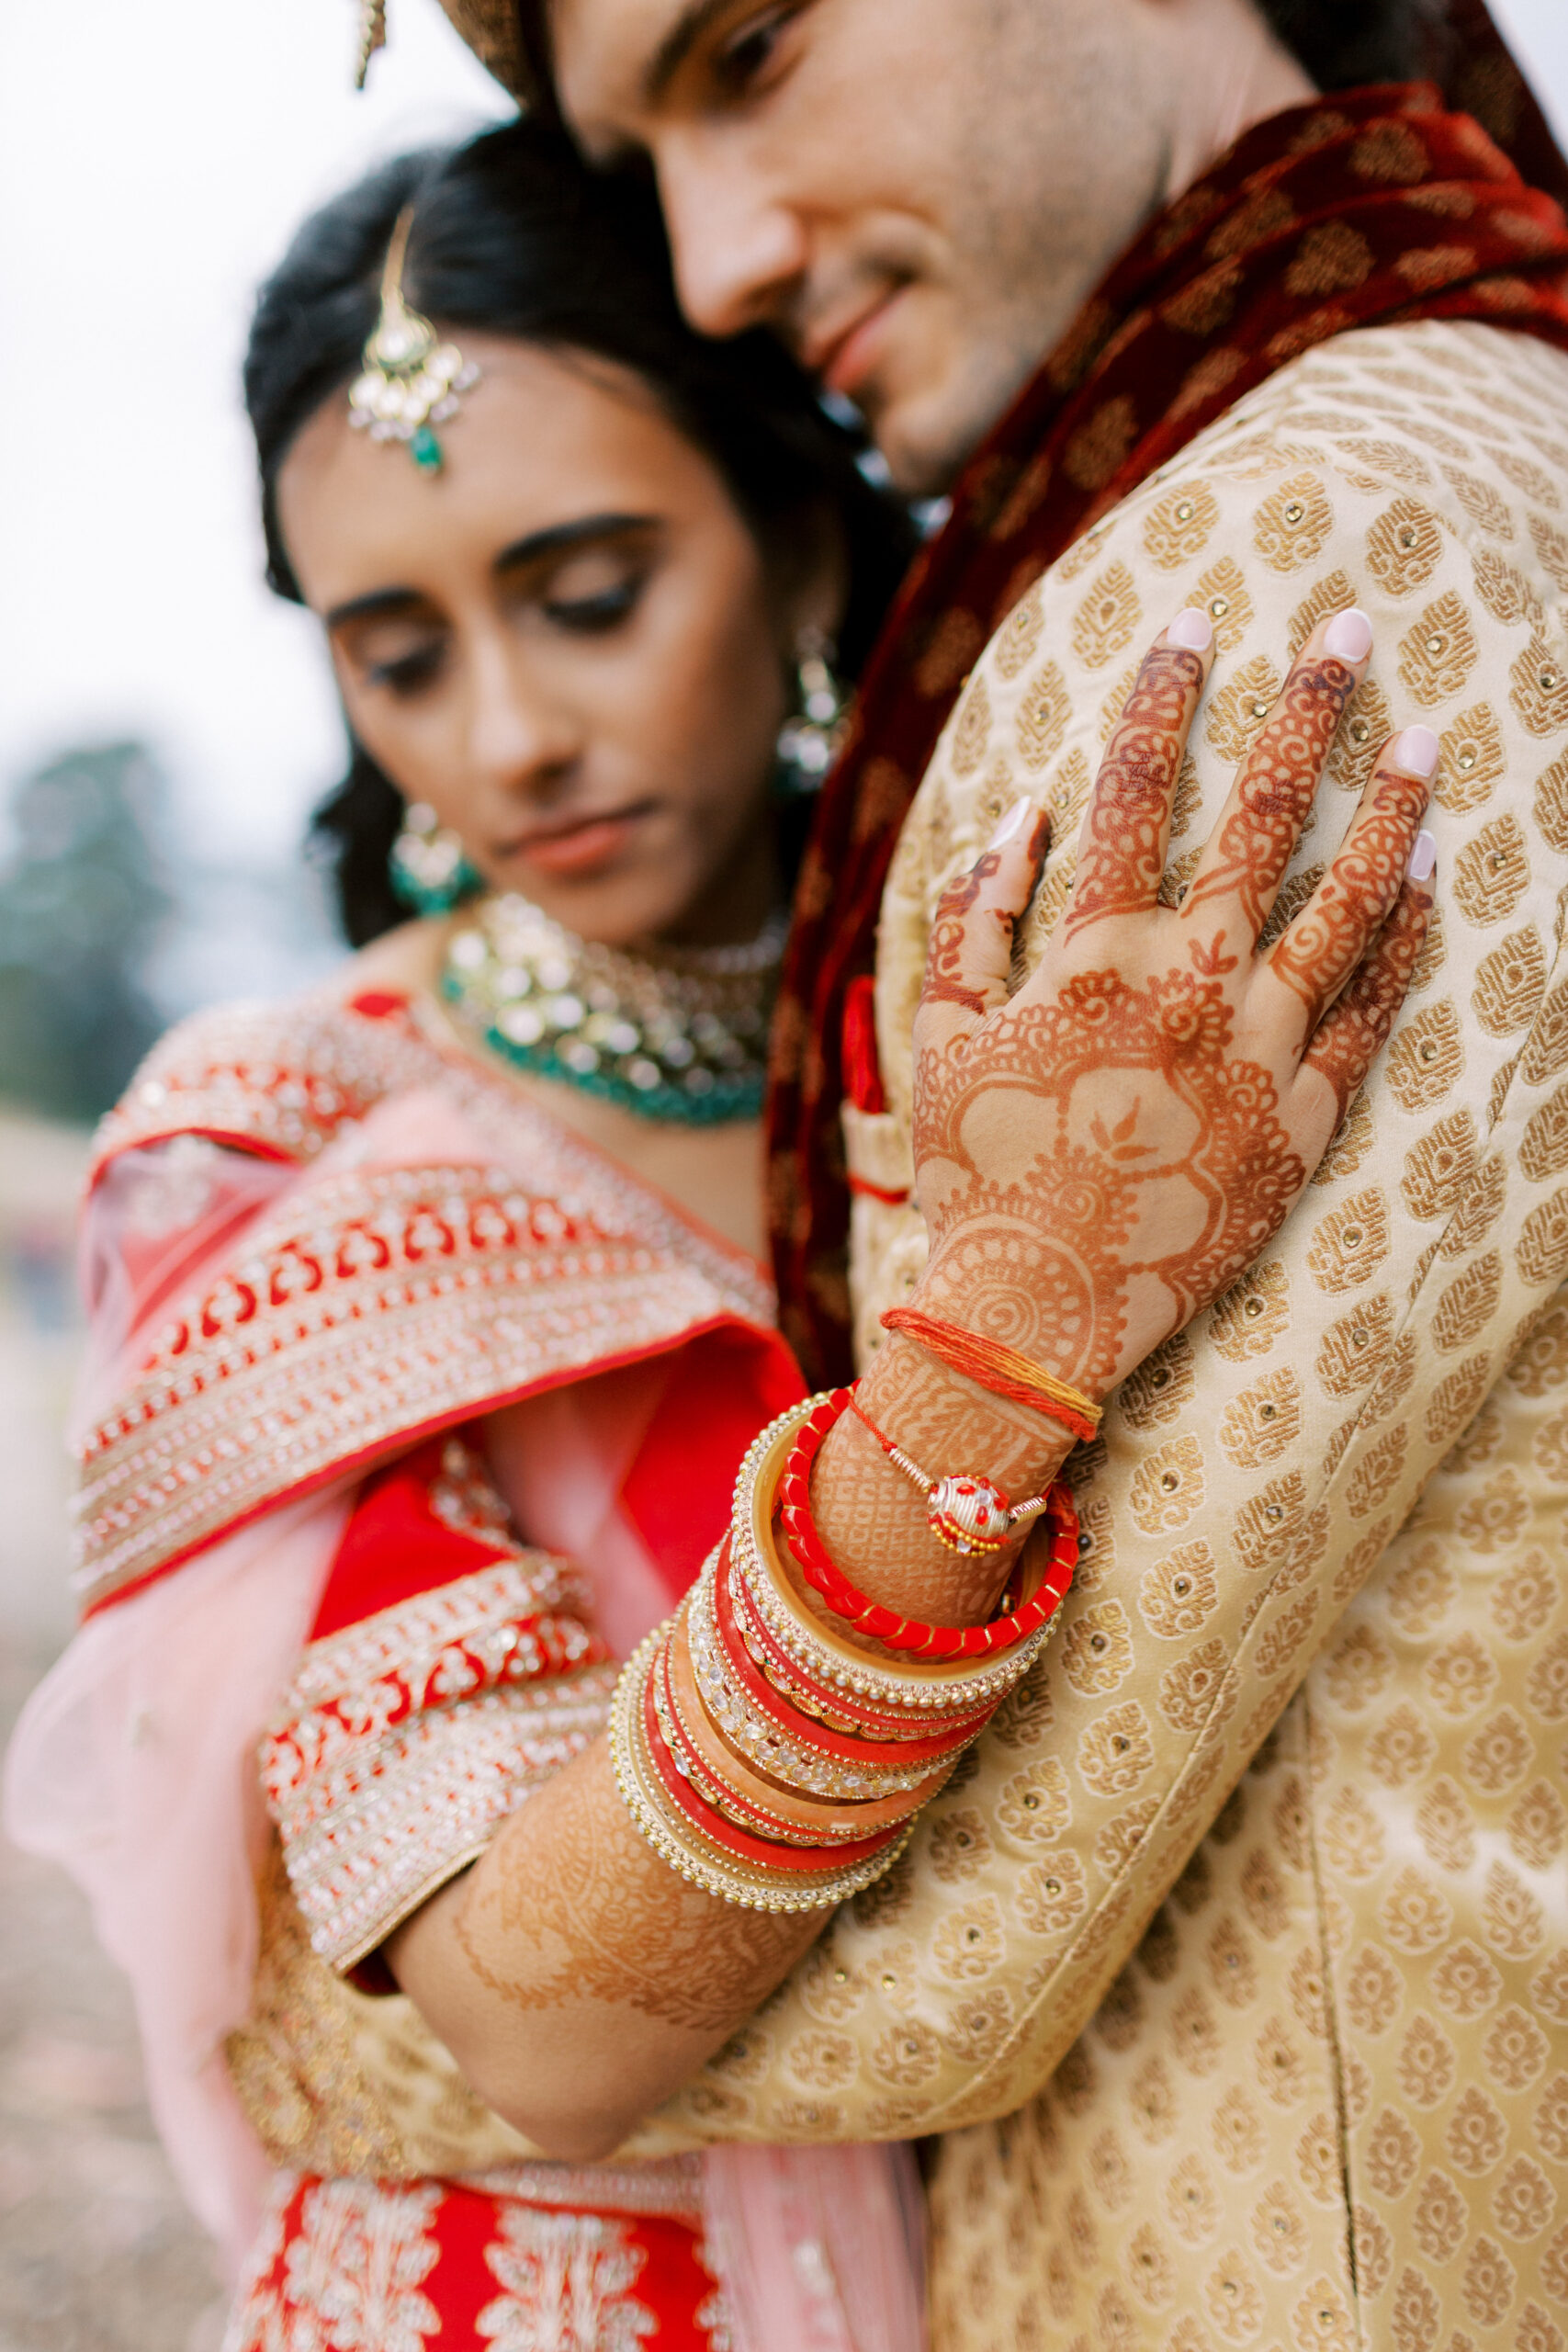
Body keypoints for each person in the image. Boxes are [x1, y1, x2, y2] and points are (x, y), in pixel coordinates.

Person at [3, 109, 1435, 2352]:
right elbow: (533, 2024)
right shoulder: (294, 1148)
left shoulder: (972, 1010)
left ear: (789, 532)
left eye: (586, 594)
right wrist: (999, 1353)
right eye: (394, 653)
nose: (504, 736)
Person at [416, 1, 1568, 2345]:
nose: (712, 259)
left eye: (748, 45)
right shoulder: (1477, 414)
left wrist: (357, 1974)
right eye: (632, 153)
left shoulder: (1285, 551)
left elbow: (965, 1924)